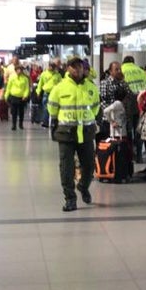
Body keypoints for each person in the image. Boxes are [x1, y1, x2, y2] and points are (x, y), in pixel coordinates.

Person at [47, 57, 100, 212]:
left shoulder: (91, 87)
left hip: (86, 132)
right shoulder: (60, 88)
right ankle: (70, 198)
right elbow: (52, 108)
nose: (77, 70)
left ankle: (83, 186)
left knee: (89, 165)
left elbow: (96, 107)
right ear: (68, 69)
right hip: (66, 133)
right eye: (74, 67)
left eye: (80, 67)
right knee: (66, 168)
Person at [4, 64, 30, 131]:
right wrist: (6, 95)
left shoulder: (25, 79)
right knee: (14, 112)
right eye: (18, 70)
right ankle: (14, 125)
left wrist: (25, 95)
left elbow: (27, 88)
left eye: (20, 70)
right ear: (15, 70)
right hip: (13, 97)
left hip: (22, 98)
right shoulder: (12, 77)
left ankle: (21, 124)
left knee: (21, 112)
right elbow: (8, 87)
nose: (19, 71)